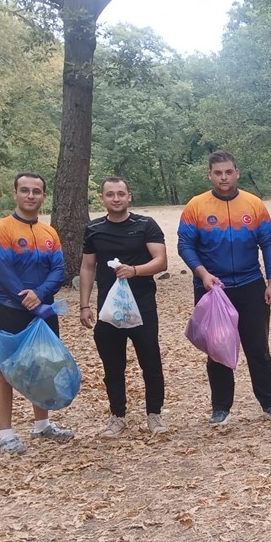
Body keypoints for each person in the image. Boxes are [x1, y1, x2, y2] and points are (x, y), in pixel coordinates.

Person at [178, 150, 271, 425]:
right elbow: (185, 245)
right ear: (209, 175)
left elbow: (269, 243)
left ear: (237, 173)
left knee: (258, 347)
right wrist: (203, 274)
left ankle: (270, 402)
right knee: (217, 348)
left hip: (250, 284)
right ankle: (221, 407)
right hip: (212, 288)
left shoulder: (254, 204)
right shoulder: (196, 206)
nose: (224, 177)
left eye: (228, 172)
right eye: (218, 173)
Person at [0, 171, 74, 454]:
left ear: (44, 196)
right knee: (4, 369)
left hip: (44, 308)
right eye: (24, 190)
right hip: (9, 308)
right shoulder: (1, 230)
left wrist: (40, 294)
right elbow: (3, 269)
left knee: (44, 364)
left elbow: (58, 269)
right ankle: (6, 435)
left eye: (36, 191)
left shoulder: (50, 233)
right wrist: (26, 297)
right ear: (15, 193)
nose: (30, 195)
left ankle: (42, 425)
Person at [79, 177, 168, 437]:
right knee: (112, 366)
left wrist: (135, 270)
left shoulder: (145, 225)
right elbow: (87, 267)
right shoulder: (94, 229)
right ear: (102, 198)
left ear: (129, 196)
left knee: (150, 362)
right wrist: (84, 305)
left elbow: (161, 261)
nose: (116, 199)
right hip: (109, 310)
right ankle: (117, 416)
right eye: (110, 194)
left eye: (121, 194)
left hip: (142, 306)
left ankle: (155, 414)